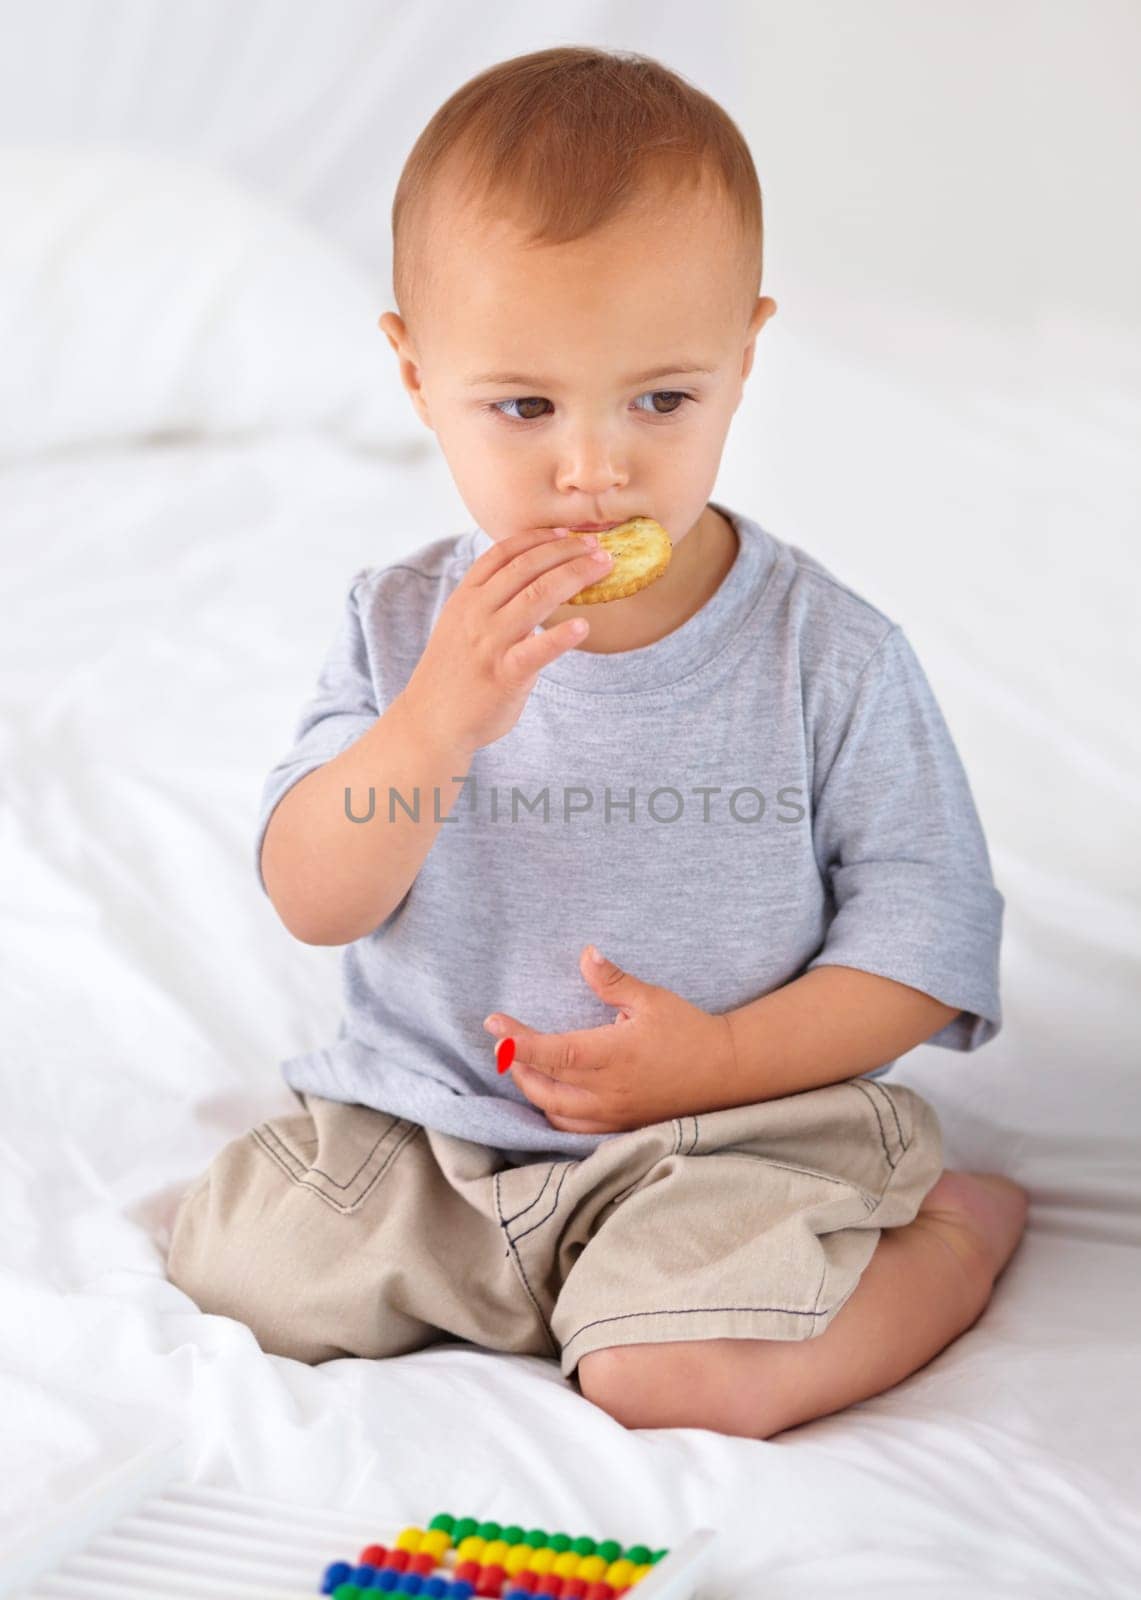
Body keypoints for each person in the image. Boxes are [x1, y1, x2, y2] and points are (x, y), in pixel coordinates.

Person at [166, 45, 1028, 1439]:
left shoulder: (827, 652)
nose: (594, 469)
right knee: (241, 1270)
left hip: (732, 1132)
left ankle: (953, 1241)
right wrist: (438, 719)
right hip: (438, 1130)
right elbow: (315, 899)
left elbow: (928, 939)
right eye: (523, 407)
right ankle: (551, 1280)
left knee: (667, 1381)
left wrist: (725, 1060)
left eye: (661, 400)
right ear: (413, 372)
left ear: (742, 361)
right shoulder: (396, 629)